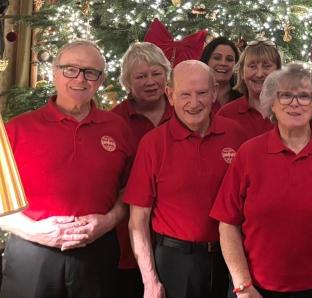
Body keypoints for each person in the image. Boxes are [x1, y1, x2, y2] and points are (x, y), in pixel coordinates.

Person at [211, 63, 312, 297]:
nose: (295, 103)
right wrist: (242, 285)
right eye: (286, 95)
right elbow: (227, 223)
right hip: (256, 290)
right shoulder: (249, 153)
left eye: (304, 96)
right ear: (272, 102)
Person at [0, 40, 134, 298]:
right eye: (70, 69)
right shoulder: (16, 129)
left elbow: (130, 192)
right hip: (32, 253)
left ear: (101, 79)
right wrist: (33, 231)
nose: (80, 79)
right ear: (54, 72)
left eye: (90, 72)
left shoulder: (118, 128)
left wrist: (107, 222)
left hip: (98, 254)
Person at [125, 60, 248, 298]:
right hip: (176, 262)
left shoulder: (236, 135)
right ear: (170, 95)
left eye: (202, 93)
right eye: (185, 94)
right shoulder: (153, 144)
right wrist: (150, 281)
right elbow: (138, 220)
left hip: (231, 259)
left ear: (214, 92)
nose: (194, 103)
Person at [110, 42, 174, 298]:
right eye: (141, 76)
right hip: (127, 237)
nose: (150, 81)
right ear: (127, 82)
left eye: (156, 73)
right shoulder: (115, 122)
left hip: (173, 239)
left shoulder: (184, 113)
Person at [217, 40, 281, 140]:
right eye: (252, 66)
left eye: (267, 66)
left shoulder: (290, 111)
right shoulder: (226, 114)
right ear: (242, 72)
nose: (259, 74)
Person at [200, 37, 241, 112]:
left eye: (229, 59)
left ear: (235, 64)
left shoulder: (243, 97)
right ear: (206, 61)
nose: (223, 63)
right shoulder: (195, 96)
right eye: (217, 58)